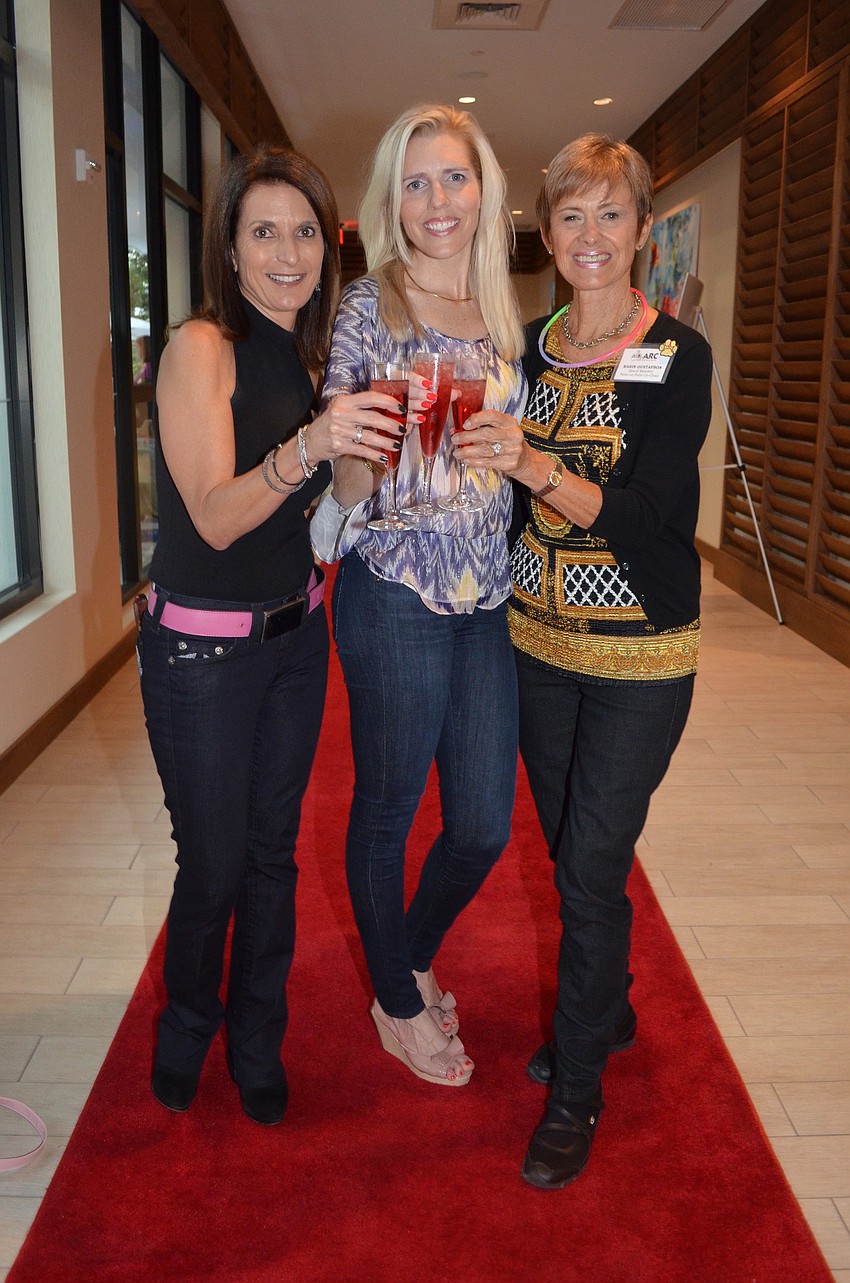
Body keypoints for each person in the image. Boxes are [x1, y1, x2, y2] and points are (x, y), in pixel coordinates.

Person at [456, 134, 712, 1182]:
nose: (591, 236)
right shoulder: (522, 348)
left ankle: (576, 1089)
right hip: (534, 641)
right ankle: (604, 1008)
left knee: (591, 865)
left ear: (642, 231)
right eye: (571, 216)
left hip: (641, 651)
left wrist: (534, 464)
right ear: (547, 233)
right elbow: (491, 492)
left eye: (611, 215)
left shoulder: (672, 353)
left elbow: (651, 517)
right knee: (570, 850)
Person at [139, 147, 404, 1124]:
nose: (287, 252)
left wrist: (371, 443)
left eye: (304, 231)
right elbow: (211, 516)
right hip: (200, 654)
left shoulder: (314, 355)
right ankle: (186, 1026)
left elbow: (334, 503)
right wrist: (310, 446)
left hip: (297, 639)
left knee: (271, 854)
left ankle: (257, 1034)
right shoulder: (200, 345)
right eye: (265, 232)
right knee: (211, 859)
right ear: (231, 247)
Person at [311, 104, 526, 1086]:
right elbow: (347, 484)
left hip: (487, 596)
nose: (437, 199)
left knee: (483, 819)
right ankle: (397, 1002)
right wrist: (368, 446)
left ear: (483, 188)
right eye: (415, 180)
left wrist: (515, 455)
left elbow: (506, 462)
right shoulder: (369, 304)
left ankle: (405, 950)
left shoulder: (501, 308)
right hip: (393, 584)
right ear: (391, 198)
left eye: (454, 176)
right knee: (390, 806)